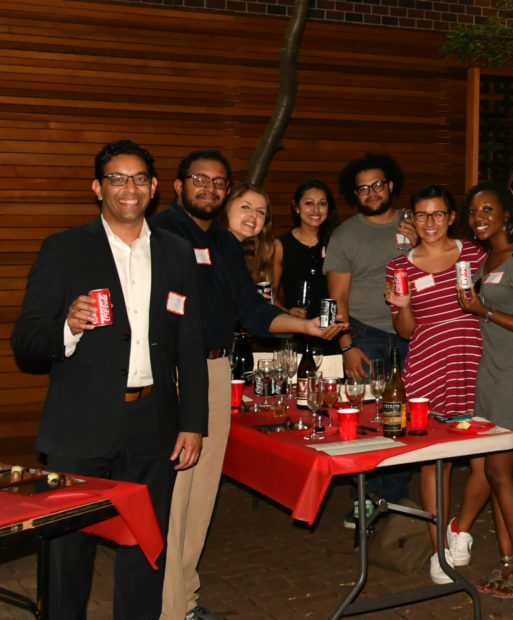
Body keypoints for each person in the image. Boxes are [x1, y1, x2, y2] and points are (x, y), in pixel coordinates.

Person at [12, 140, 208, 620]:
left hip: (153, 421)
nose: (129, 187)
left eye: (139, 177)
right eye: (117, 178)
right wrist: (68, 327)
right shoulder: (64, 248)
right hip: (80, 422)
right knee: (66, 551)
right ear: (98, 188)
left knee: (145, 544)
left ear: (155, 187)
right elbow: (27, 340)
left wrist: (193, 421)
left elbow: (189, 341)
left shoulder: (176, 251)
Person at [149, 150, 343, 620]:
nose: (210, 188)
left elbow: (250, 311)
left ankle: (185, 598)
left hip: (214, 370)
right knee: (174, 493)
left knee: (201, 493)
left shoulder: (221, 243)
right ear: (177, 185)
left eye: (219, 182)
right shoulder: (160, 232)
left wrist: (310, 329)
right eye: (201, 180)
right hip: (174, 371)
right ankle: (166, 608)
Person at [383, 184, 487, 583]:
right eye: (422, 215)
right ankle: (438, 549)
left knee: (488, 460)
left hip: (475, 362)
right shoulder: (400, 268)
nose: (430, 223)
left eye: (438, 214)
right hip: (427, 366)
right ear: (412, 217)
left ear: (451, 217)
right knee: (433, 461)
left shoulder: (475, 254)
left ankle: (460, 528)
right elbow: (406, 332)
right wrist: (402, 307)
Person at [453, 182, 513, 598]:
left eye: (487, 209)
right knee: (492, 471)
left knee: (501, 472)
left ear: (506, 213)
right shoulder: (489, 257)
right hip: (490, 371)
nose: (479, 217)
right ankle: (509, 562)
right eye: (472, 211)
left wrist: (483, 309)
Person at [326, 153, 418, 514]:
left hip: (413, 333)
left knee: (406, 417)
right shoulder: (345, 235)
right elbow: (337, 298)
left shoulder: (414, 224)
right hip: (367, 333)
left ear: (390, 185)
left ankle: (392, 500)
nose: (372, 192)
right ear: (355, 194)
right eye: (363, 188)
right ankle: (366, 501)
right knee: (367, 419)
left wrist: (420, 242)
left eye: (378, 185)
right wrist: (346, 345)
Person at [272, 180, 341, 354]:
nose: (316, 210)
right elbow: (269, 293)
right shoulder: (281, 245)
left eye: (322, 204)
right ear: (296, 207)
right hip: (296, 335)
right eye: (309, 203)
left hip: (332, 333)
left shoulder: (338, 242)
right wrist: (287, 313)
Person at [218, 183, 273, 287]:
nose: (254, 215)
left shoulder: (256, 255)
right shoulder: (211, 249)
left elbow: (264, 299)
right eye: (245, 207)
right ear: (226, 207)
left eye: (261, 212)